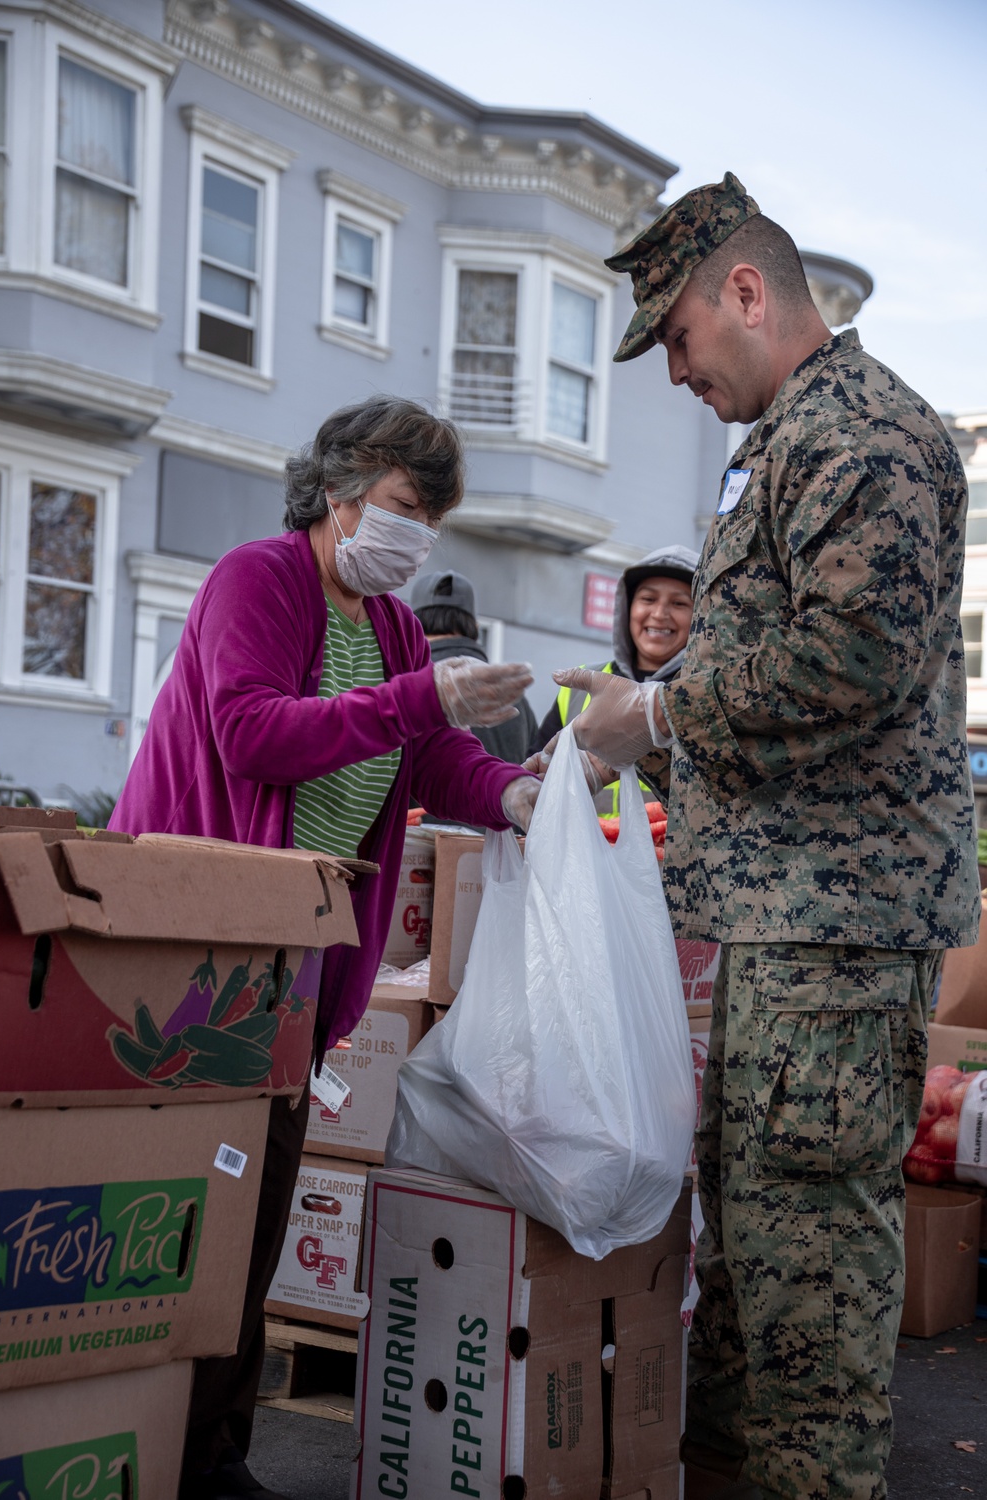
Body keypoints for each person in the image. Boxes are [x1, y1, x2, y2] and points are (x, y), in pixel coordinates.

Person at [548, 175, 979, 1500]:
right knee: (750, 1254)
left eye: (675, 338)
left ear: (746, 293)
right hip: (777, 920)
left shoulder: (860, 435)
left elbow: (852, 658)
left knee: (806, 1290)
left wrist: (656, 713)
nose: (672, 373)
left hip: (831, 931)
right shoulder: (791, 438)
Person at [108, 396, 542, 1500]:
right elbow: (252, 733)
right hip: (193, 950)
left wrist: (515, 792)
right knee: (187, 1211)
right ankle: (158, 1446)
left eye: (434, 518)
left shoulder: (393, 625)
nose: (417, 536)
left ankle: (212, 1456)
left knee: (249, 1217)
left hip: (293, 971)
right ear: (338, 492)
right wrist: (412, 700)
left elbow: (432, 763)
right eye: (405, 508)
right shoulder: (256, 580)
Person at [530, 546, 698, 814]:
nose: (659, 613)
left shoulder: (704, 696)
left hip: (667, 855)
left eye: (679, 603)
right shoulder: (579, 687)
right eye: (648, 599)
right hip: (584, 855)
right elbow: (537, 774)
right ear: (626, 607)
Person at [411, 568, 538, 764]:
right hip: (504, 793)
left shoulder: (407, 684)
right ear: (476, 628)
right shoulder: (513, 696)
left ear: (410, 625)